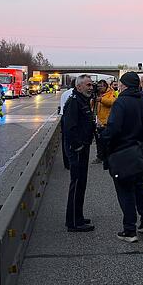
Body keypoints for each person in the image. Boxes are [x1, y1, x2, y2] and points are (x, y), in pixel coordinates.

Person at [101, 72, 143, 243]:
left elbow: (113, 129)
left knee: (125, 190)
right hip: (142, 154)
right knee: (140, 187)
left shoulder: (121, 103)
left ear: (124, 85)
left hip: (123, 154)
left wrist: (103, 141)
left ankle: (129, 230)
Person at [61, 74, 96, 233]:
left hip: (83, 146)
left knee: (81, 183)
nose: (91, 87)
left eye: (91, 85)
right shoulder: (74, 102)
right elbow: (69, 128)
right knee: (76, 184)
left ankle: (78, 215)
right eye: (88, 85)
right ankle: (74, 222)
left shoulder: (82, 100)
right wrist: (77, 147)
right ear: (79, 86)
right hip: (78, 149)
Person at [92, 79, 116, 165]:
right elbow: (92, 106)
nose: (99, 88)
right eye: (98, 86)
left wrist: (101, 99)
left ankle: (108, 158)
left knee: (107, 142)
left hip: (106, 122)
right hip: (98, 122)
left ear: (105, 86)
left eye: (101, 86)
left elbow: (112, 102)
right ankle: (100, 157)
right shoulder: (97, 94)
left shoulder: (111, 93)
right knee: (99, 142)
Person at [58, 80, 75, 170]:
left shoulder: (64, 93)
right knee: (74, 141)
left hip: (64, 118)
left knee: (65, 140)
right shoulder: (76, 94)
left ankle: (66, 163)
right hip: (72, 119)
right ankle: (73, 161)